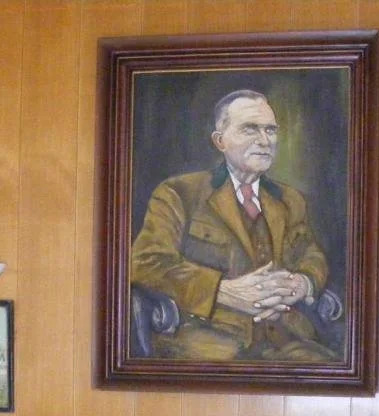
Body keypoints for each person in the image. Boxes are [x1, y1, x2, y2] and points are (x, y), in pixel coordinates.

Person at [130, 89, 336, 362]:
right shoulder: (179, 193)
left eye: (270, 130)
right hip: (207, 343)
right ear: (220, 141)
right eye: (250, 129)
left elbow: (311, 255)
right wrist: (222, 291)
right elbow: (145, 263)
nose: (264, 141)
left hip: (287, 340)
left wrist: (302, 283)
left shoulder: (290, 200)